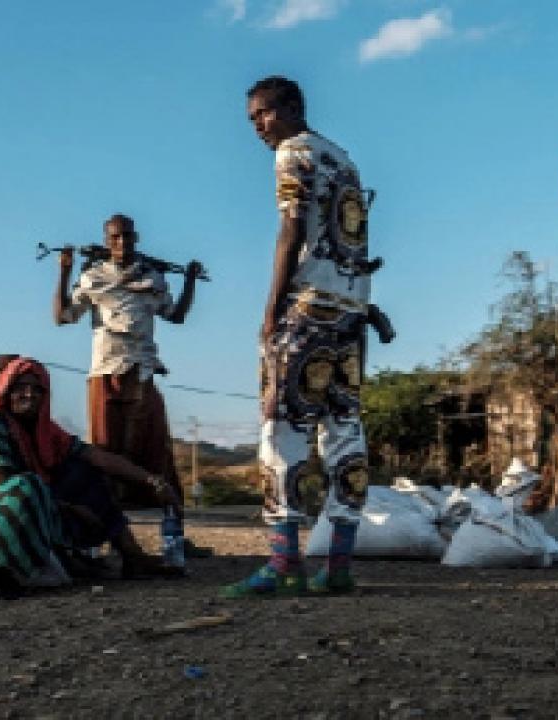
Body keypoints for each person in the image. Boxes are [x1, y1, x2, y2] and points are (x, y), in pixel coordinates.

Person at [222, 76, 393, 598]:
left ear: (294, 107)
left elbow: (291, 228)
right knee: (344, 429)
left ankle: (282, 565)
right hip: (349, 315)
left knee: (281, 429)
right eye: (251, 119)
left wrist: (271, 308)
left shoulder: (293, 153)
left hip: (306, 312)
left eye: (265, 114)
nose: (258, 127)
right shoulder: (342, 158)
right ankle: (338, 566)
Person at [0, 354, 182, 604]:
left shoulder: (43, 432)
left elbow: (96, 456)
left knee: (82, 472)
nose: (29, 394)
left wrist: (151, 480)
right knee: (26, 488)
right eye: (20, 387)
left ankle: (132, 555)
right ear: (4, 390)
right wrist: (71, 510)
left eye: (36, 389)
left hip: (25, 510)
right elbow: (2, 487)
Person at [53, 214, 206, 557]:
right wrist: (64, 272)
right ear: (107, 242)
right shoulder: (92, 278)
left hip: (143, 372)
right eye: (115, 238)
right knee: (103, 455)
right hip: (105, 375)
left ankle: (173, 543)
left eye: (127, 237)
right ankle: (96, 544)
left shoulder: (152, 278)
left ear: (136, 238)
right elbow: (62, 317)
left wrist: (191, 281)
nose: (121, 243)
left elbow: (176, 315)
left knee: (156, 452)